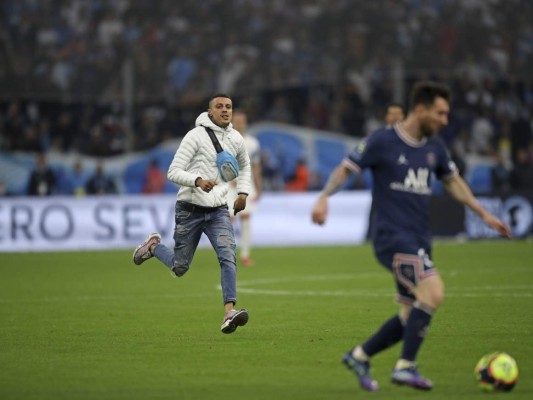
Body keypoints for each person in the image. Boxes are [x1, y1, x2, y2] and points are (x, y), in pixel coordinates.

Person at [311, 81, 511, 391]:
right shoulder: (382, 141)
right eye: (440, 113)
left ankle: (359, 355)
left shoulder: (435, 148)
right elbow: (346, 168)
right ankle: (406, 366)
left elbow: (453, 182)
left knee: (410, 314)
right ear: (421, 109)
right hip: (392, 236)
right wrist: (324, 197)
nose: (445, 120)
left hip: (419, 237)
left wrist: (483, 213)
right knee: (434, 293)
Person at [132, 94, 252, 334]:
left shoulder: (236, 138)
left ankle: (229, 312)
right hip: (190, 209)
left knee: (228, 256)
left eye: (228, 107)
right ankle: (154, 247)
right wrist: (197, 180)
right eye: (220, 107)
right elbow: (173, 171)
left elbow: (245, 166)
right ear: (210, 112)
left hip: (218, 209)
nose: (225, 111)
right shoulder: (194, 136)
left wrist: (243, 193)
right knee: (180, 266)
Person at [227, 110, 262, 266]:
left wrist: (258, 186)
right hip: (229, 186)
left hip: (247, 185)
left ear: (246, 122)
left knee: (246, 219)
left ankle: (245, 255)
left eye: (242, 121)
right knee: (229, 220)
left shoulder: (253, 143)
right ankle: (227, 255)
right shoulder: (225, 140)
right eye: (237, 120)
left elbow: (256, 166)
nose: (240, 123)